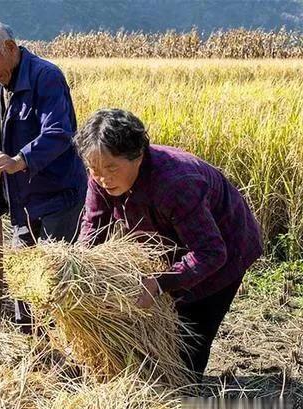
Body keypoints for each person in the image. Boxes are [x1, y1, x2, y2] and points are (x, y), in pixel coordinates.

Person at [75, 108, 263, 382]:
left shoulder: (176, 183)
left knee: (190, 334)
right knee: (158, 324)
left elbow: (211, 252)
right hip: (176, 243)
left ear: (138, 155)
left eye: (112, 168)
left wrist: (161, 282)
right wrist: (76, 267)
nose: (103, 178)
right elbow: (94, 224)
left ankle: (185, 400)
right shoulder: (101, 176)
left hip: (225, 248)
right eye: (94, 169)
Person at [0, 21, 87, 332]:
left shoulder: (46, 77)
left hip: (58, 195)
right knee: (22, 270)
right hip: (23, 199)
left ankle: (64, 342)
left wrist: (20, 160)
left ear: (10, 48)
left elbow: (60, 133)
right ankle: (32, 341)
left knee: (55, 274)